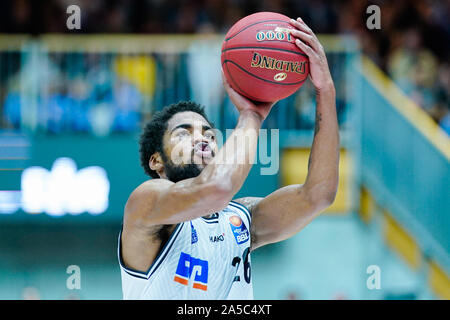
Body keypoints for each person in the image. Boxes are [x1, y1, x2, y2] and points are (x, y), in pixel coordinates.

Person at [118, 17, 339, 299]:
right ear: (156, 161)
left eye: (209, 134)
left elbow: (319, 194)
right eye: (184, 134)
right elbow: (216, 189)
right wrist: (251, 116)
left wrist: (325, 90)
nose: (202, 139)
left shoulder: (240, 218)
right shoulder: (146, 202)